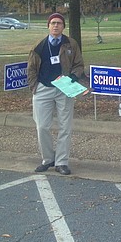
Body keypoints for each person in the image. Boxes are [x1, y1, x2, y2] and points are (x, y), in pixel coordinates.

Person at [27, 13, 85, 175]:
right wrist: (35, 86)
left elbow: (79, 64)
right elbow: (31, 68)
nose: (56, 26)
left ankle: (62, 162)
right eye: (53, 23)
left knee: (65, 127)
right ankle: (48, 159)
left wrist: (74, 76)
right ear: (48, 26)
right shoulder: (39, 45)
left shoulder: (70, 44)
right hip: (43, 89)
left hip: (64, 89)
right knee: (42, 126)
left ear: (63, 26)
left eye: (59, 23)